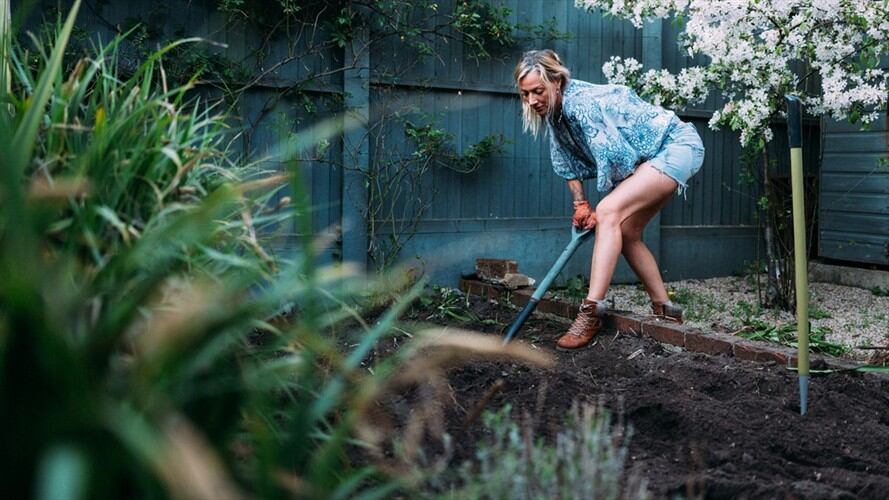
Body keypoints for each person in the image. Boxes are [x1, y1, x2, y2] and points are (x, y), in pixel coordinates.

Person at [514, 49, 704, 351]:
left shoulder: (582, 105)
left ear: (557, 82)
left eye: (538, 91)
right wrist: (580, 205)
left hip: (677, 146)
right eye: (525, 94)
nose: (532, 100)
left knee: (609, 211)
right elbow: (564, 161)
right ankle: (666, 311)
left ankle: (591, 311)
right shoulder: (554, 113)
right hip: (653, 155)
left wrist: (601, 212)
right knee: (626, 232)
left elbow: (616, 157)